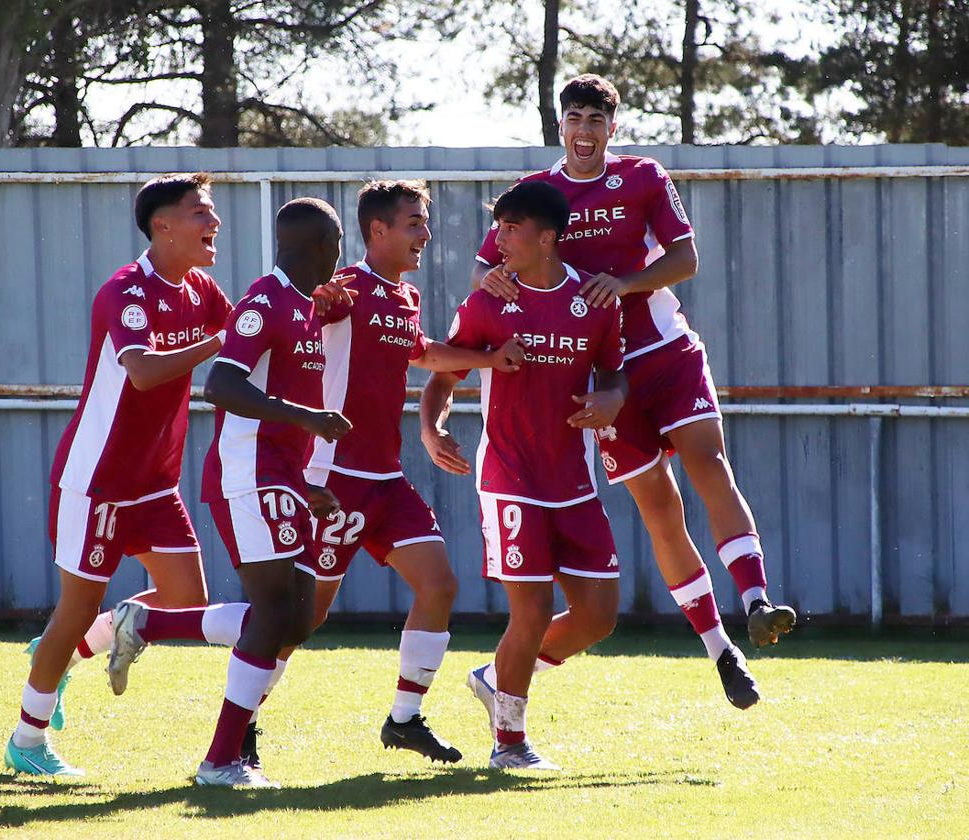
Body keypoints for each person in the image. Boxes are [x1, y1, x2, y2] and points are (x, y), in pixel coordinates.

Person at [472, 74, 794, 709]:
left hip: (664, 351)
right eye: (575, 118)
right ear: (559, 125)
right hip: (603, 376)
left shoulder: (644, 176)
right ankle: (721, 650)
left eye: (596, 119)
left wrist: (623, 284)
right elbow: (487, 263)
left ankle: (756, 598)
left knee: (708, 460)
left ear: (611, 128)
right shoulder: (538, 193)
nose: (585, 129)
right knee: (658, 507)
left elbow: (686, 259)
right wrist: (495, 283)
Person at [247, 180, 528, 767]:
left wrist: (485, 360)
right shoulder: (344, 288)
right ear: (377, 231)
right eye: (413, 223)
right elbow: (301, 312)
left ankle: (404, 719)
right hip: (334, 477)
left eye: (423, 222)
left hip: (384, 478)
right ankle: (241, 721)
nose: (425, 233)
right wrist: (313, 306)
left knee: (440, 585)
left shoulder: (404, 296)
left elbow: (420, 351)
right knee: (303, 618)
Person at [113, 198, 353, 788]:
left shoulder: (305, 308)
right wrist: (309, 419)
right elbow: (220, 385)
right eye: (339, 241)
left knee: (295, 620)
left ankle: (147, 626)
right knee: (274, 614)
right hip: (246, 472)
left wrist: (305, 483)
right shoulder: (264, 302)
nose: (341, 253)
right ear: (321, 244)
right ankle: (221, 760)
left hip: (280, 475)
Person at [4, 173, 236, 777]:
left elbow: (245, 339)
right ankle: (26, 742)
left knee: (188, 600)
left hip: (156, 484)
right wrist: (216, 342)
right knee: (74, 609)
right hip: (97, 482)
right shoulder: (125, 290)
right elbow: (142, 371)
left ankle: (77, 646)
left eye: (211, 213)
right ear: (162, 226)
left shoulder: (203, 289)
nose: (213, 224)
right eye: (199, 213)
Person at [422, 180, 628, 769]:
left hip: (574, 482)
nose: (500, 239)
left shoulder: (593, 303)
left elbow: (615, 375)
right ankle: (509, 743)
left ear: (547, 237)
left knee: (599, 616)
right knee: (531, 612)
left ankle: (496, 677)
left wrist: (612, 399)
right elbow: (443, 371)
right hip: (509, 477)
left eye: (512, 229)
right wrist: (430, 428)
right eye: (499, 227)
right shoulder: (488, 301)